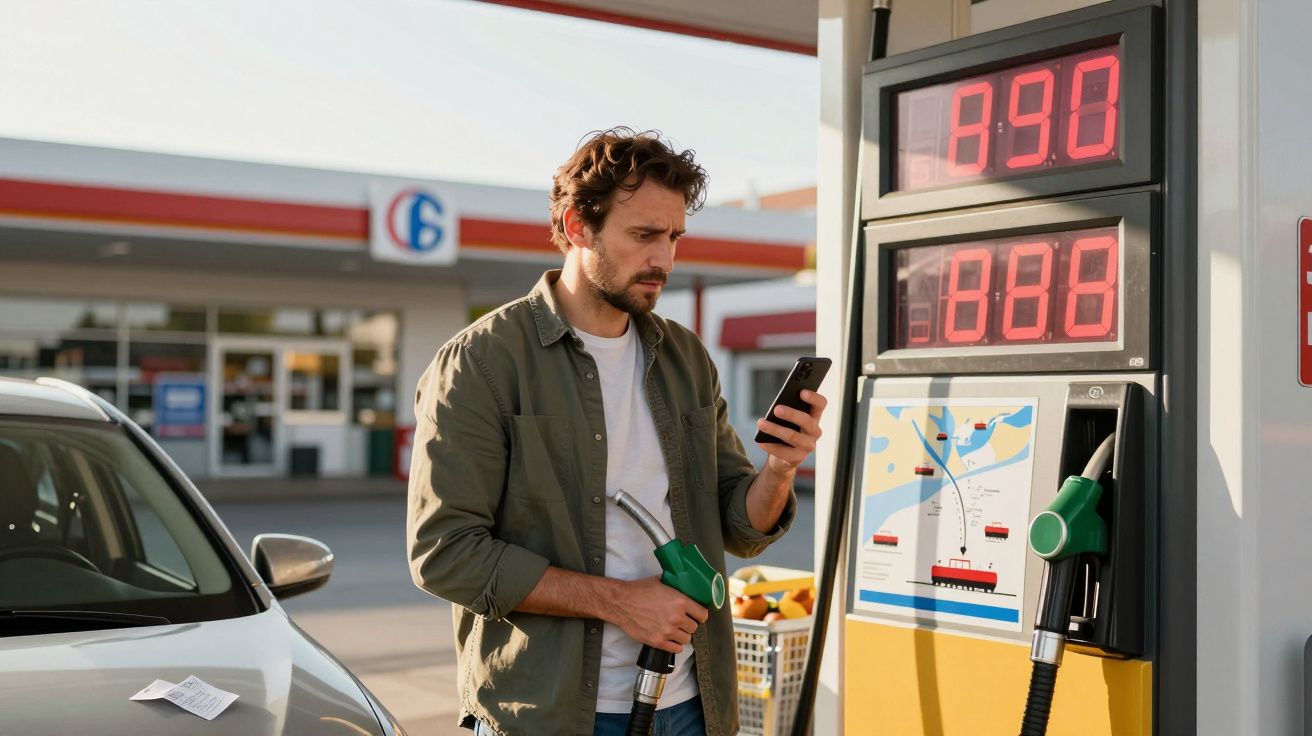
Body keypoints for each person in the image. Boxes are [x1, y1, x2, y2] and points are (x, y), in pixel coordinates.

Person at [407, 127, 827, 736]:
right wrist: (622, 603)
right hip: (548, 714)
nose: (664, 259)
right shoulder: (482, 362)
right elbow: (445, 554)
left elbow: (739, 526)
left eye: (674, 237)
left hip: (693, 702)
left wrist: (781, 469)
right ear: (579, 227)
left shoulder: (684, 356)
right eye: (644, 235)